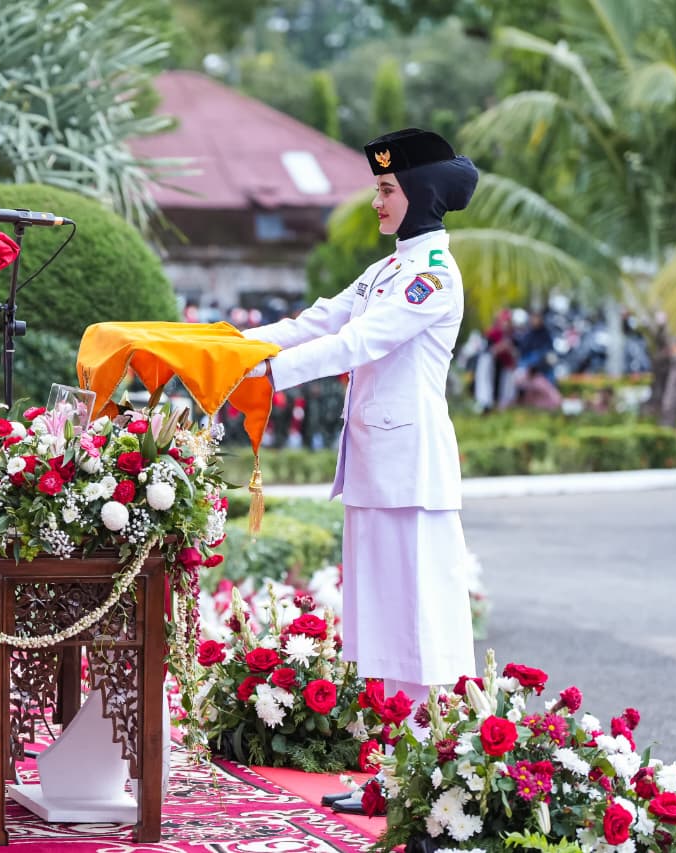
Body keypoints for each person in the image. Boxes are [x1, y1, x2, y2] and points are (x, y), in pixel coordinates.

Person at [243, 128, 478, 810]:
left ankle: (432, 775)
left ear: (422, 195)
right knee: (382, 626)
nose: (376, 201)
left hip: (413, 475)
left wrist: (264, 379)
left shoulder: (433, 275)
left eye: (387, 189)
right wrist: (226, 348)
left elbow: (358, 341)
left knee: (420, 628)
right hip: (379, 470)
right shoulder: (387, 270)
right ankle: (395, 774)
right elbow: (320, 318)